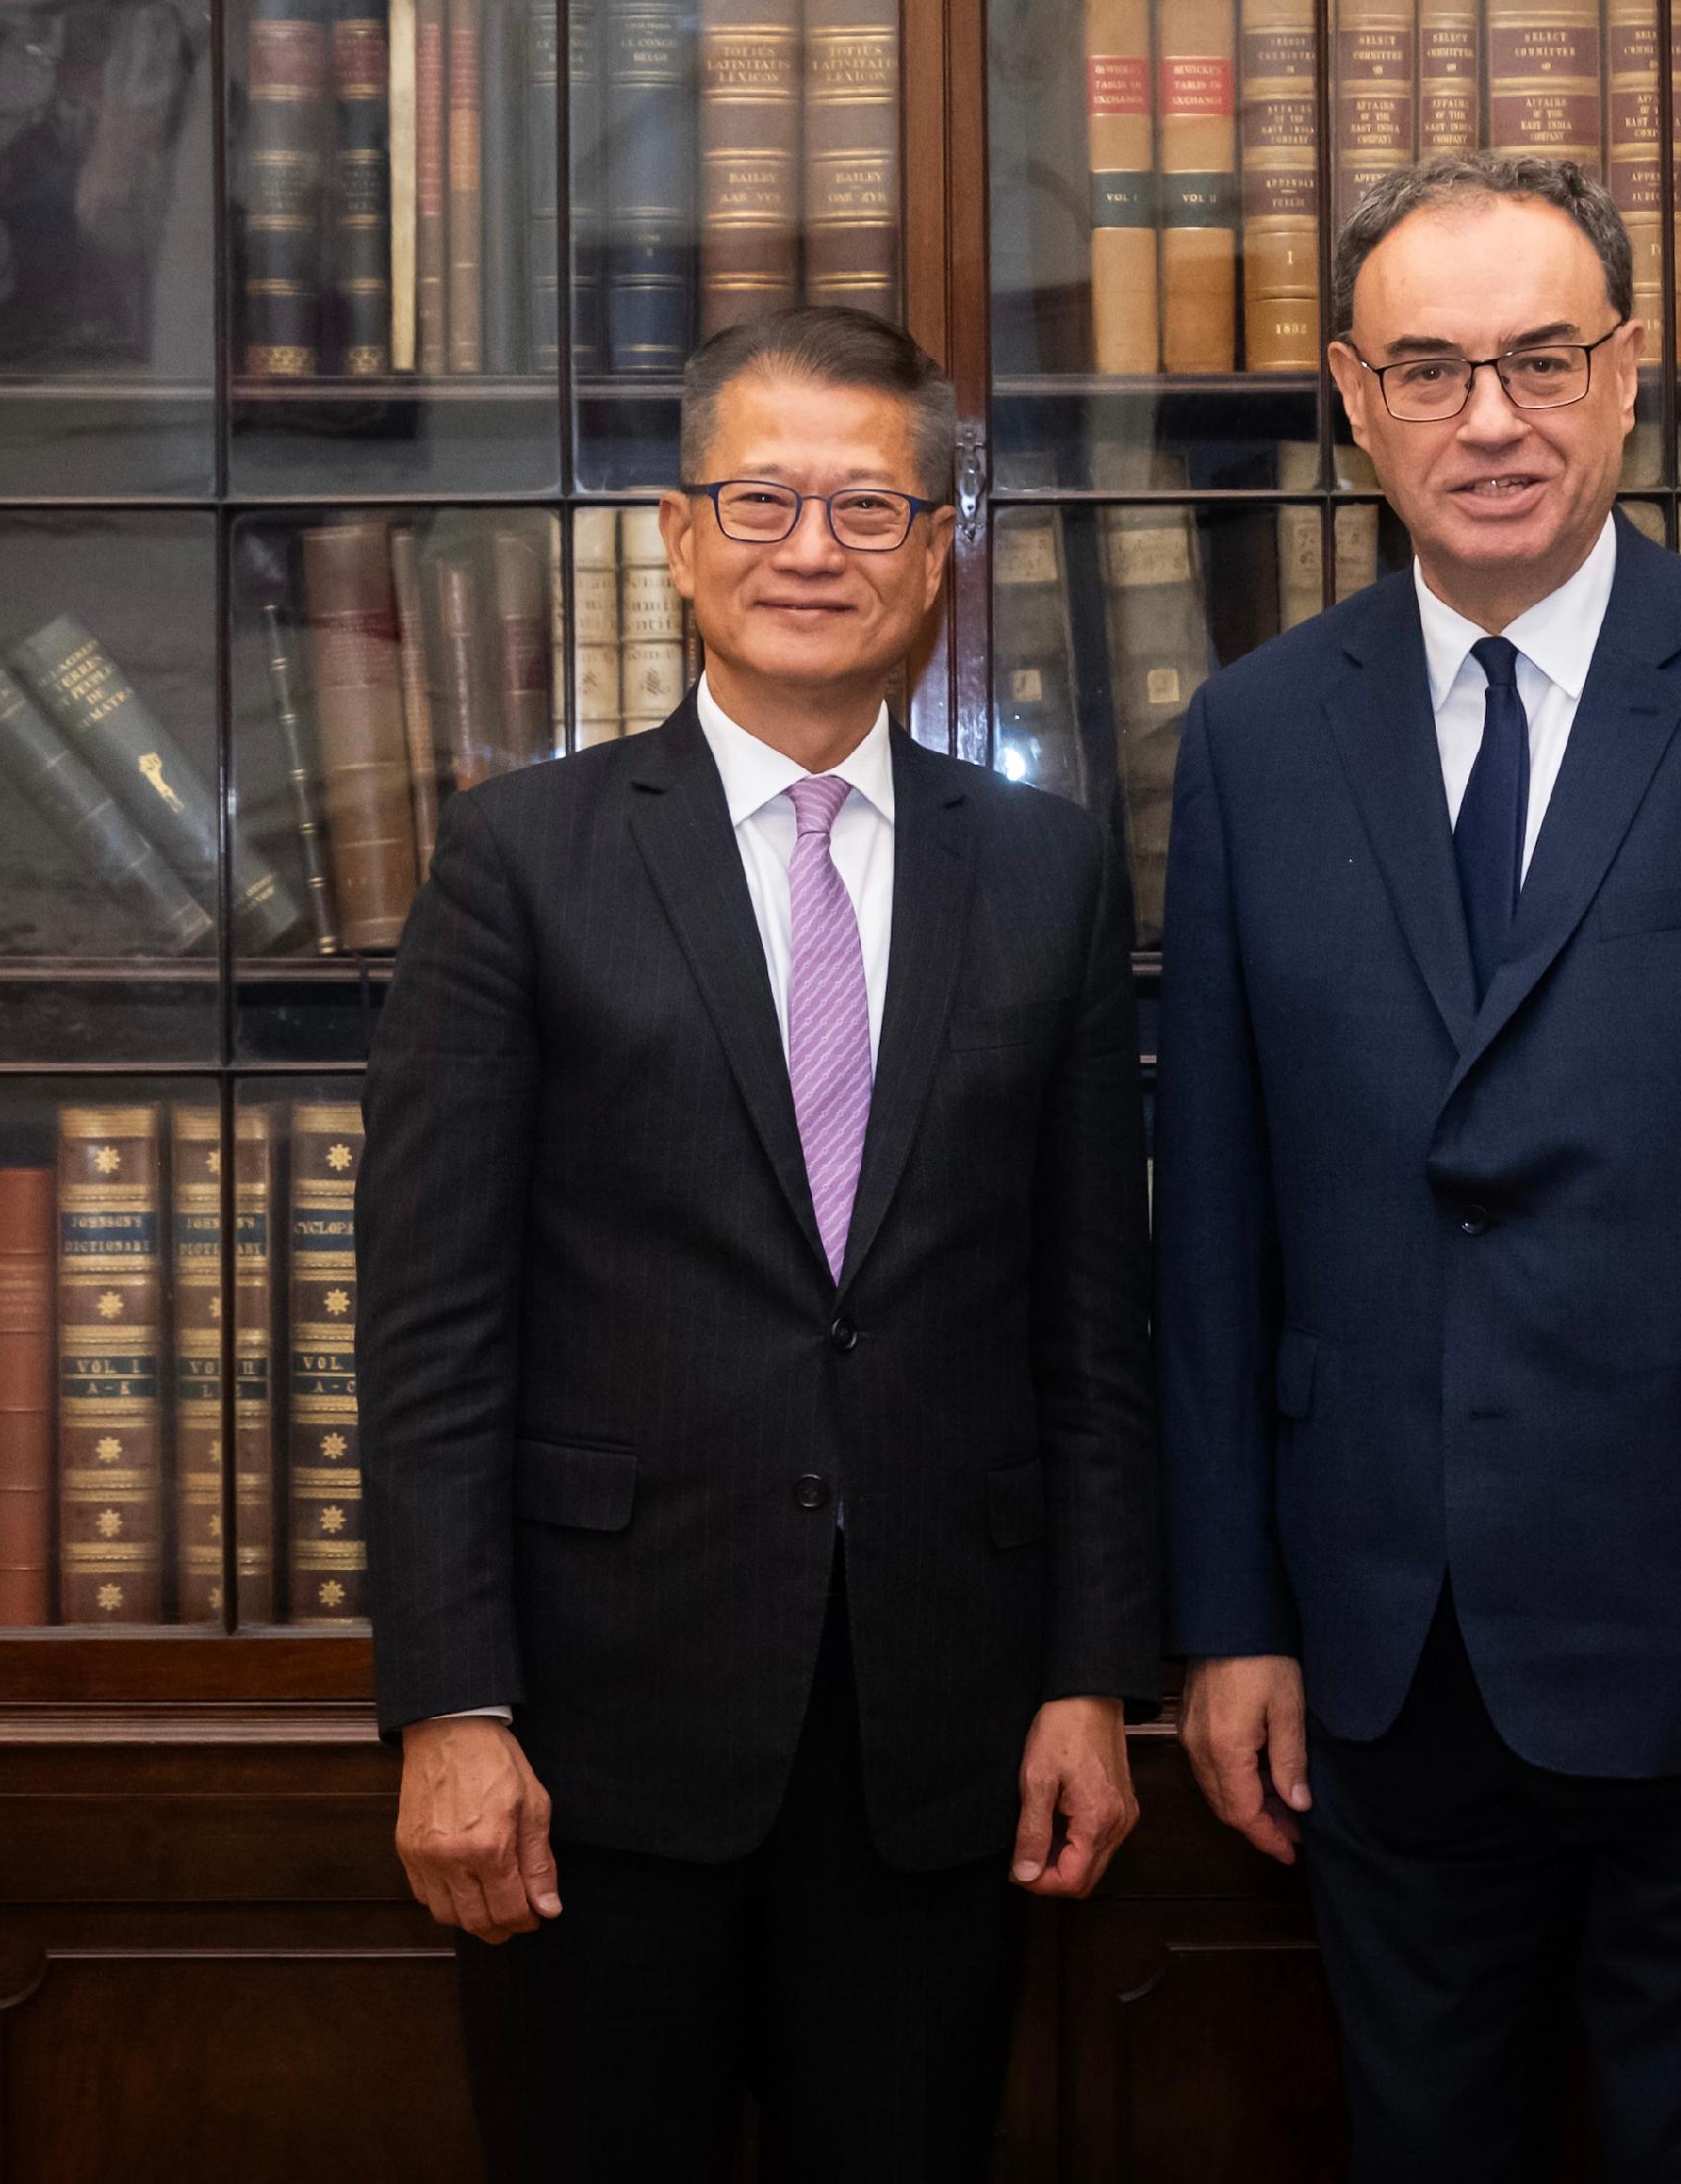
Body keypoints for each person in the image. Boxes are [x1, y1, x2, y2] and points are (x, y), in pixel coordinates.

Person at [1151, 152, 1681, 2183]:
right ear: (1349, 398)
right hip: (1376, 1649)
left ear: (1631, 376)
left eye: (1541, 359)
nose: (1490, 420)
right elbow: (1217, 1217)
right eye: (1430, 369)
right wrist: (1227, 1615)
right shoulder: (1256, 735)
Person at [360, 303, 1159, 2184]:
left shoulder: (1042, 869)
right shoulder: (521, 856)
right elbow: (434, 1329)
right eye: (767, 497)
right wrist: (448, 1708)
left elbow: (1091, 1316)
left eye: (872, 508)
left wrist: (1088, 1675)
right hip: (589, 1742)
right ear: (678, 531)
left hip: (941, 1736)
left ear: (942, 552)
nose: (817, 549)